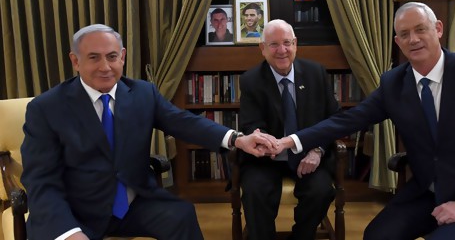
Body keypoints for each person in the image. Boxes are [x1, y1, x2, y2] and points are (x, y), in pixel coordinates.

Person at [276, 2, 455, 240]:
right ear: (398, 42)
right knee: (376, 235)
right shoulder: (394, 83)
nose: (414, 39)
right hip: (430, 193)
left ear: (438, 29)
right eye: (405, 34)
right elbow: (349, 120)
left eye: (421, 30)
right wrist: (290, 141)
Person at [20, 24, 277, 240]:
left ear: (122, 56)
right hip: (75, 211)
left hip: (135, 204)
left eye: (111, 56)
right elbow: (41, 181)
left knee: (182, 216)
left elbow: (184, 122)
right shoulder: (46, 108)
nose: (105, 67)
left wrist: (237, 139)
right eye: (93, 57)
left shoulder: (143, 93)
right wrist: (68, 232)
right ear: (75, 61)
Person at [238, 19, 340, 240]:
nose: (282, 50)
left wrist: (318, 150)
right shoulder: (251, 80)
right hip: (266, 159)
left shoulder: (316, 73)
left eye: (287, 43)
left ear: (295, 44)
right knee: (255, 191)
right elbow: (249, 123)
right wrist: (265, 142)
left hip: (308, 155)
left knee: (321, 191)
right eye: (274, 44)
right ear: (262, 49)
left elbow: (334, 118)